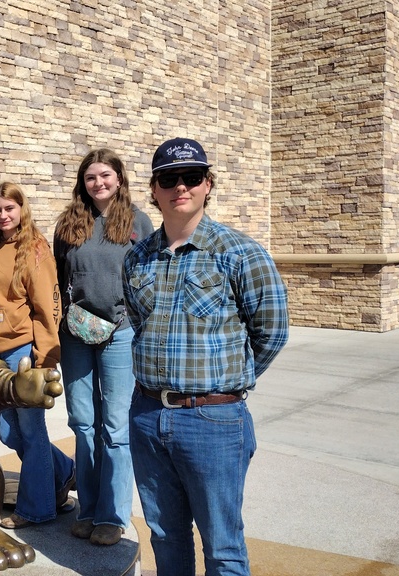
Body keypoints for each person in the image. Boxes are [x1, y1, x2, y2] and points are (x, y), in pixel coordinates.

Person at [123, 137, 289, 575]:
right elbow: (141, 324)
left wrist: (226, 379)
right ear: (154, 189)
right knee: (165, 536)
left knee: (222, 545)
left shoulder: (240, 253)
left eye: (192, 177)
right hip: (146, 414)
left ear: (208, 184)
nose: (181, 187)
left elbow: (271, 331)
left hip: (212, 420)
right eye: (169, 179)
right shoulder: (137, 259)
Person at [53, 148, 155, 545]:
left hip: (121, 331)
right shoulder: (68, 224)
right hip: (76, 332)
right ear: (83, 183)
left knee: (114, 426)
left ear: (119, 178)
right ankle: (89, 508)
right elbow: (58, 278)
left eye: (105, 175)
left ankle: (113, 516)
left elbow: (150, 275)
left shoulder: (138, 221)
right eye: (91, 177)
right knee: (82, 422)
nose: (99, 183)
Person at [0, 181, 76, 529]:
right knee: (7, 432)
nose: (3, 215)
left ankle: (36, 508)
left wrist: (46, 357)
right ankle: (63, 472)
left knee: (31, 430)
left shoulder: (34, 249)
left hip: (22, 353)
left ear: (21, 209)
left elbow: (48, 306)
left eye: (9, 209)